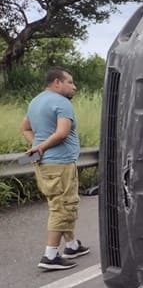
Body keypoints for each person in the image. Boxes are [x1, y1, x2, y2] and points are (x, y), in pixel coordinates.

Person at [20, 67, 89, 271]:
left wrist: (37, 146)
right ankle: (50, 256)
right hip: (60, 163)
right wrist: (41, 146)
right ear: (57, 82)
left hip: (44, 164)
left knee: (58, 202)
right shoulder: (61, 103)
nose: (73, 86)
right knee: (63, 206)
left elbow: (24, 127)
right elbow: (62, 133)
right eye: (70, 82)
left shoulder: (36, 101)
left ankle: (71, 245)